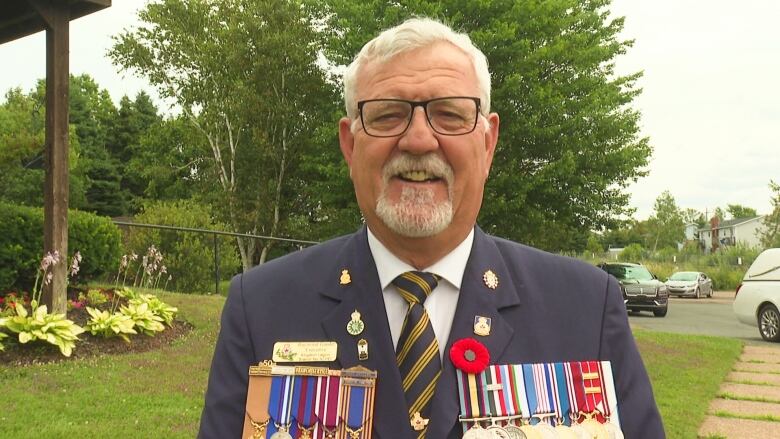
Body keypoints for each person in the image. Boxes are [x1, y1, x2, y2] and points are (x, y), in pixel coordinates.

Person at [198, 17, 664, 439]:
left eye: (449, 114)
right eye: (386, 114)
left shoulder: (584, 308)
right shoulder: (260, 307)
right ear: (349, 144)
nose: (419, 139)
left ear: (488, 141)